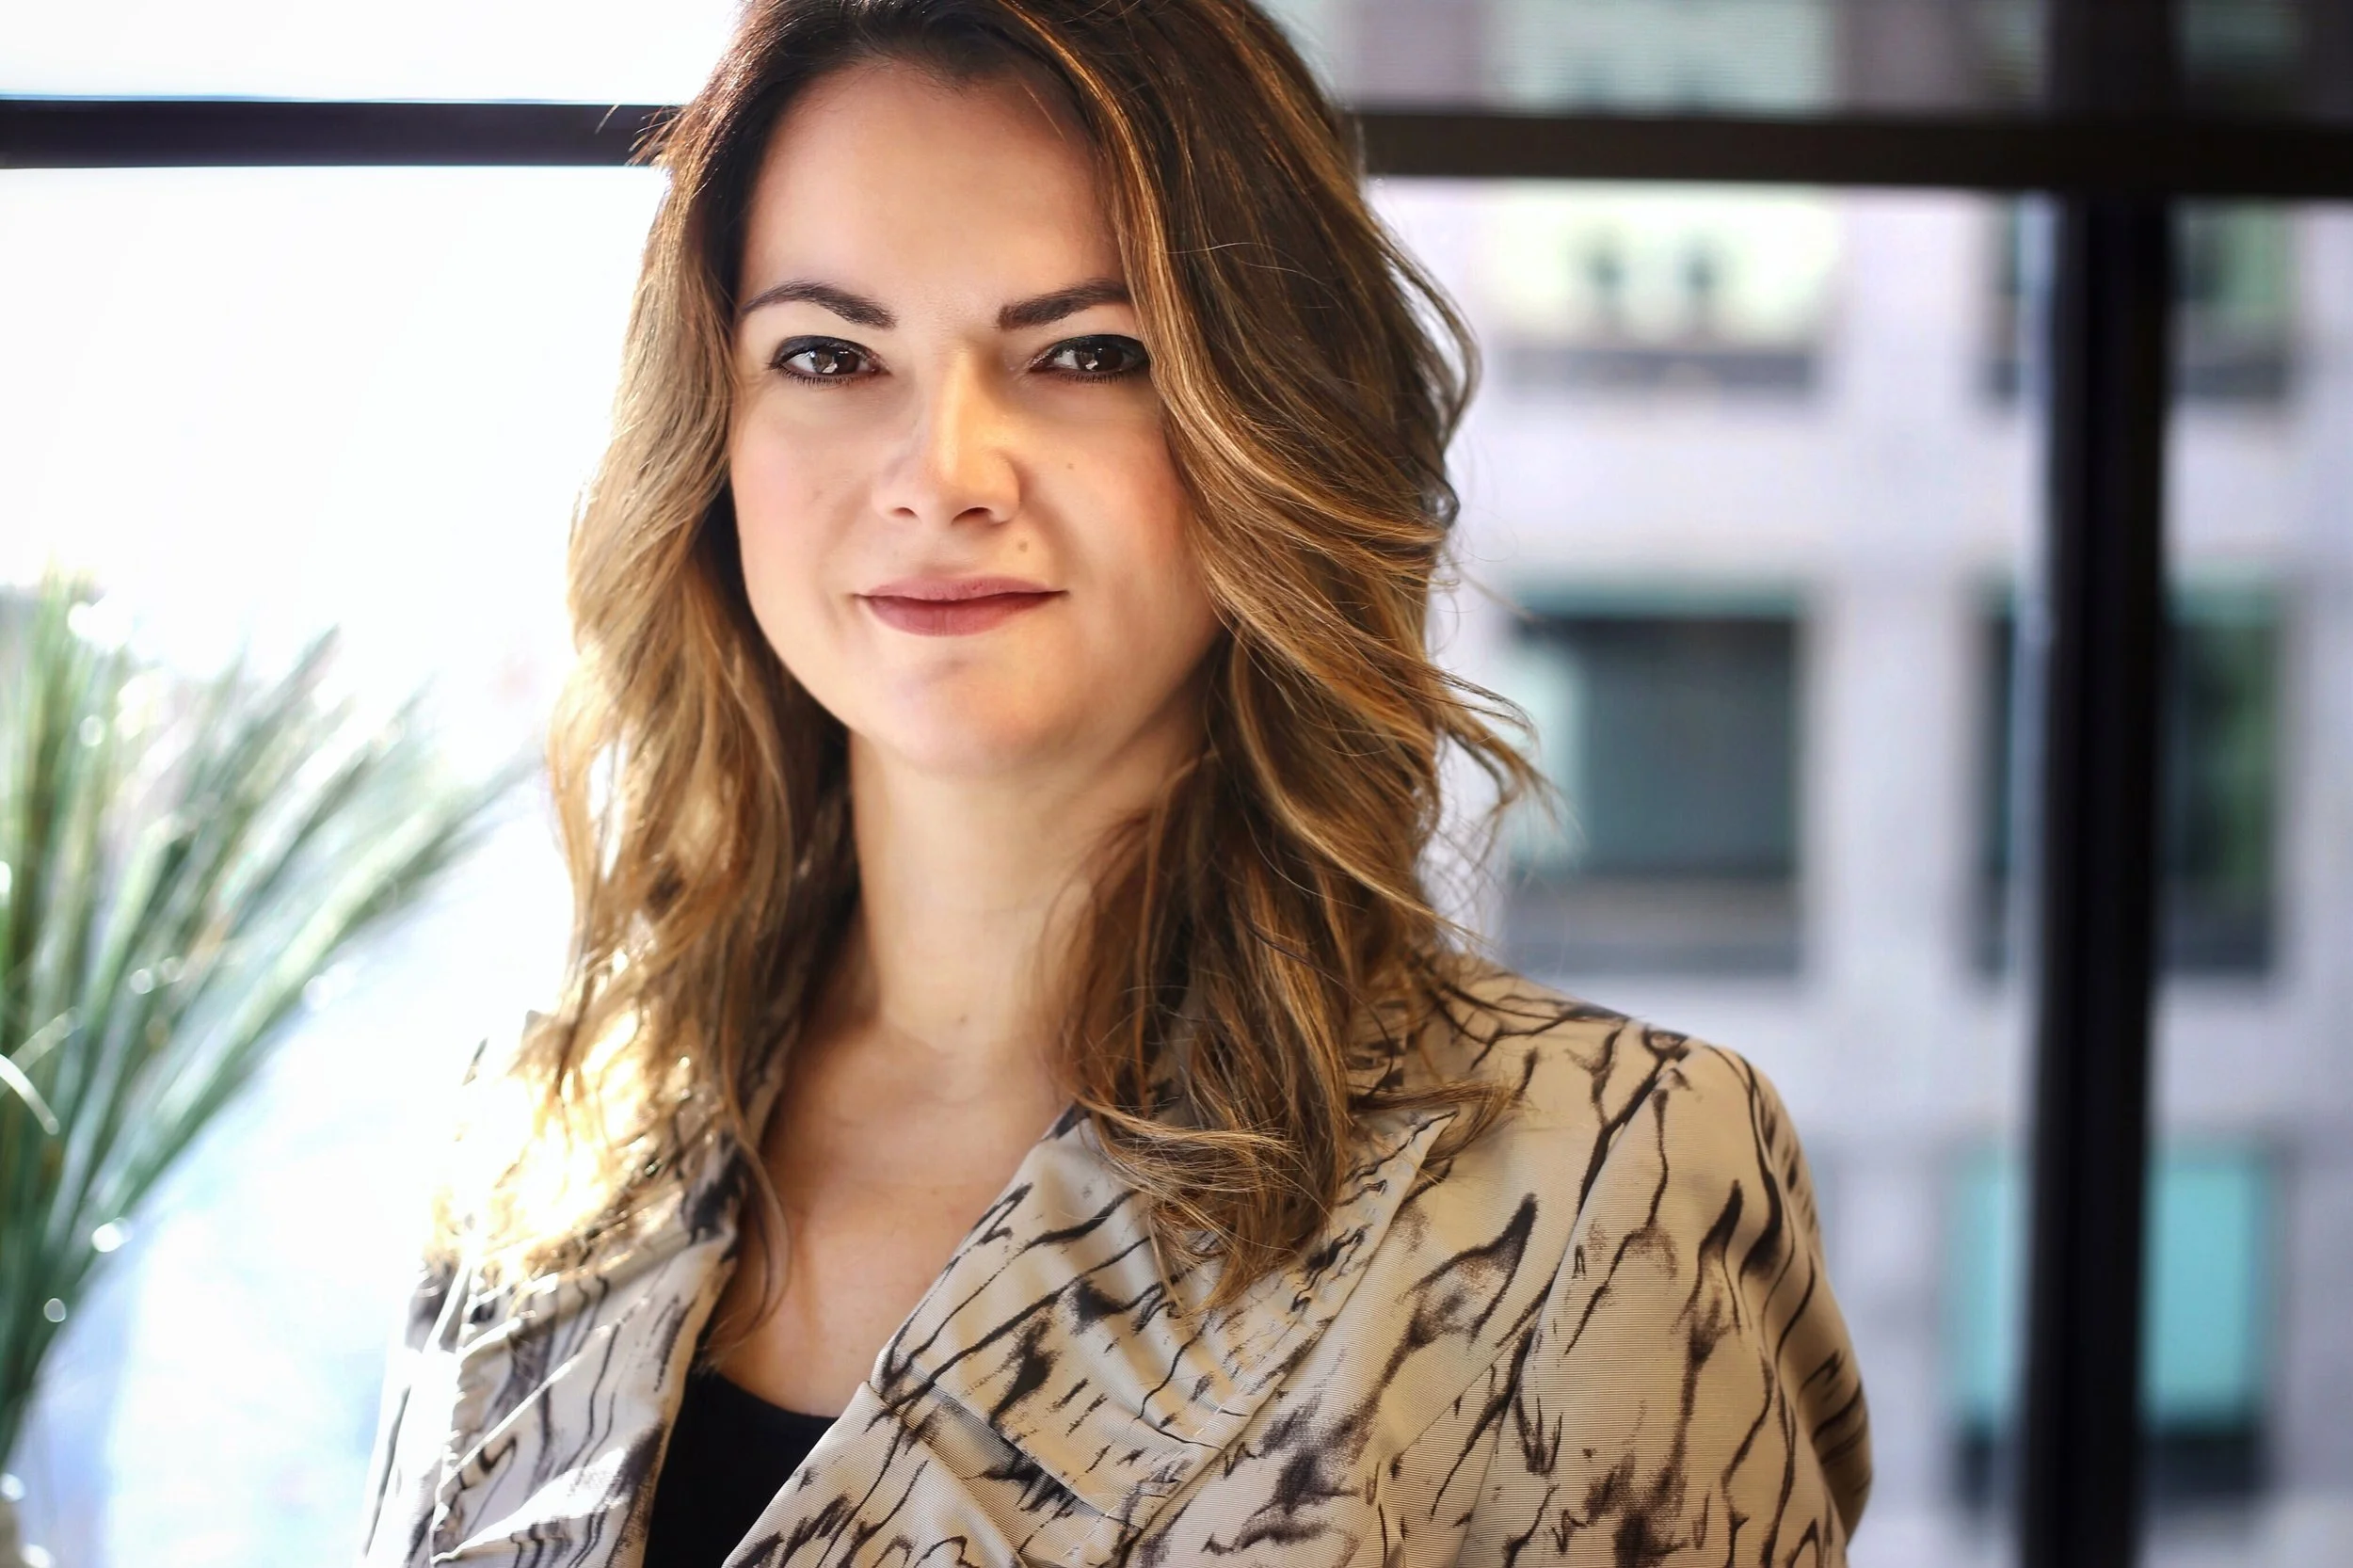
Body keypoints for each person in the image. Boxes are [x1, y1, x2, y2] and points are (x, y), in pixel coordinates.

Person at [358, 1, 1871, 1563]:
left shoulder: (1595, 1183)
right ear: (713, 436)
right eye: (826, 351)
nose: (942, 471)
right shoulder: (549, 1133)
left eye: (1087, 353)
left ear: (1267, 426)